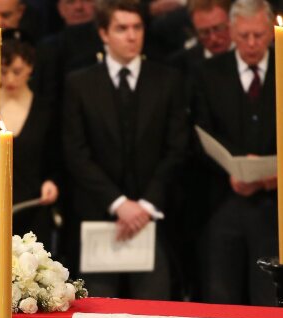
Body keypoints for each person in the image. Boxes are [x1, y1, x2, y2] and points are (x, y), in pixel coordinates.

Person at [192, 0, 283, 305]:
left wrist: (275, 175)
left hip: (277, 205)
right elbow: (200, 134)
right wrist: (233, 168)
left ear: (272, 33)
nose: (251, 43)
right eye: (244, 35)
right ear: (232, 32)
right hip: (223, 199)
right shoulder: (208, 73)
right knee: (221, 296)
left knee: (270, 299)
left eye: (258, 35)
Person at [63, 0, 189, 299]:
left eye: (137, 27)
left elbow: (178, 149)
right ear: (104, 33)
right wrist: (119, 203)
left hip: (152, 217)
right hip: (99, 217)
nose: (131, 36)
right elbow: (75, 152)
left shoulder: (167, 80)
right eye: (122, 28)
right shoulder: (79, 83)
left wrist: (144, 207)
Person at [0, 37, 60, 245]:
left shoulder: (46, 110)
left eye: (16, 71)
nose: (9, 79)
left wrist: (52, 182)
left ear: (30, 69)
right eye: (3, 71)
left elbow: (56, 158)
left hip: (32, 210)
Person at [166, 0, 233, 80]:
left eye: (219, 28)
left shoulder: (248, 55)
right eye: (204, 32)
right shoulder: (180, 66)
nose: (213, 38)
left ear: (232, 22)